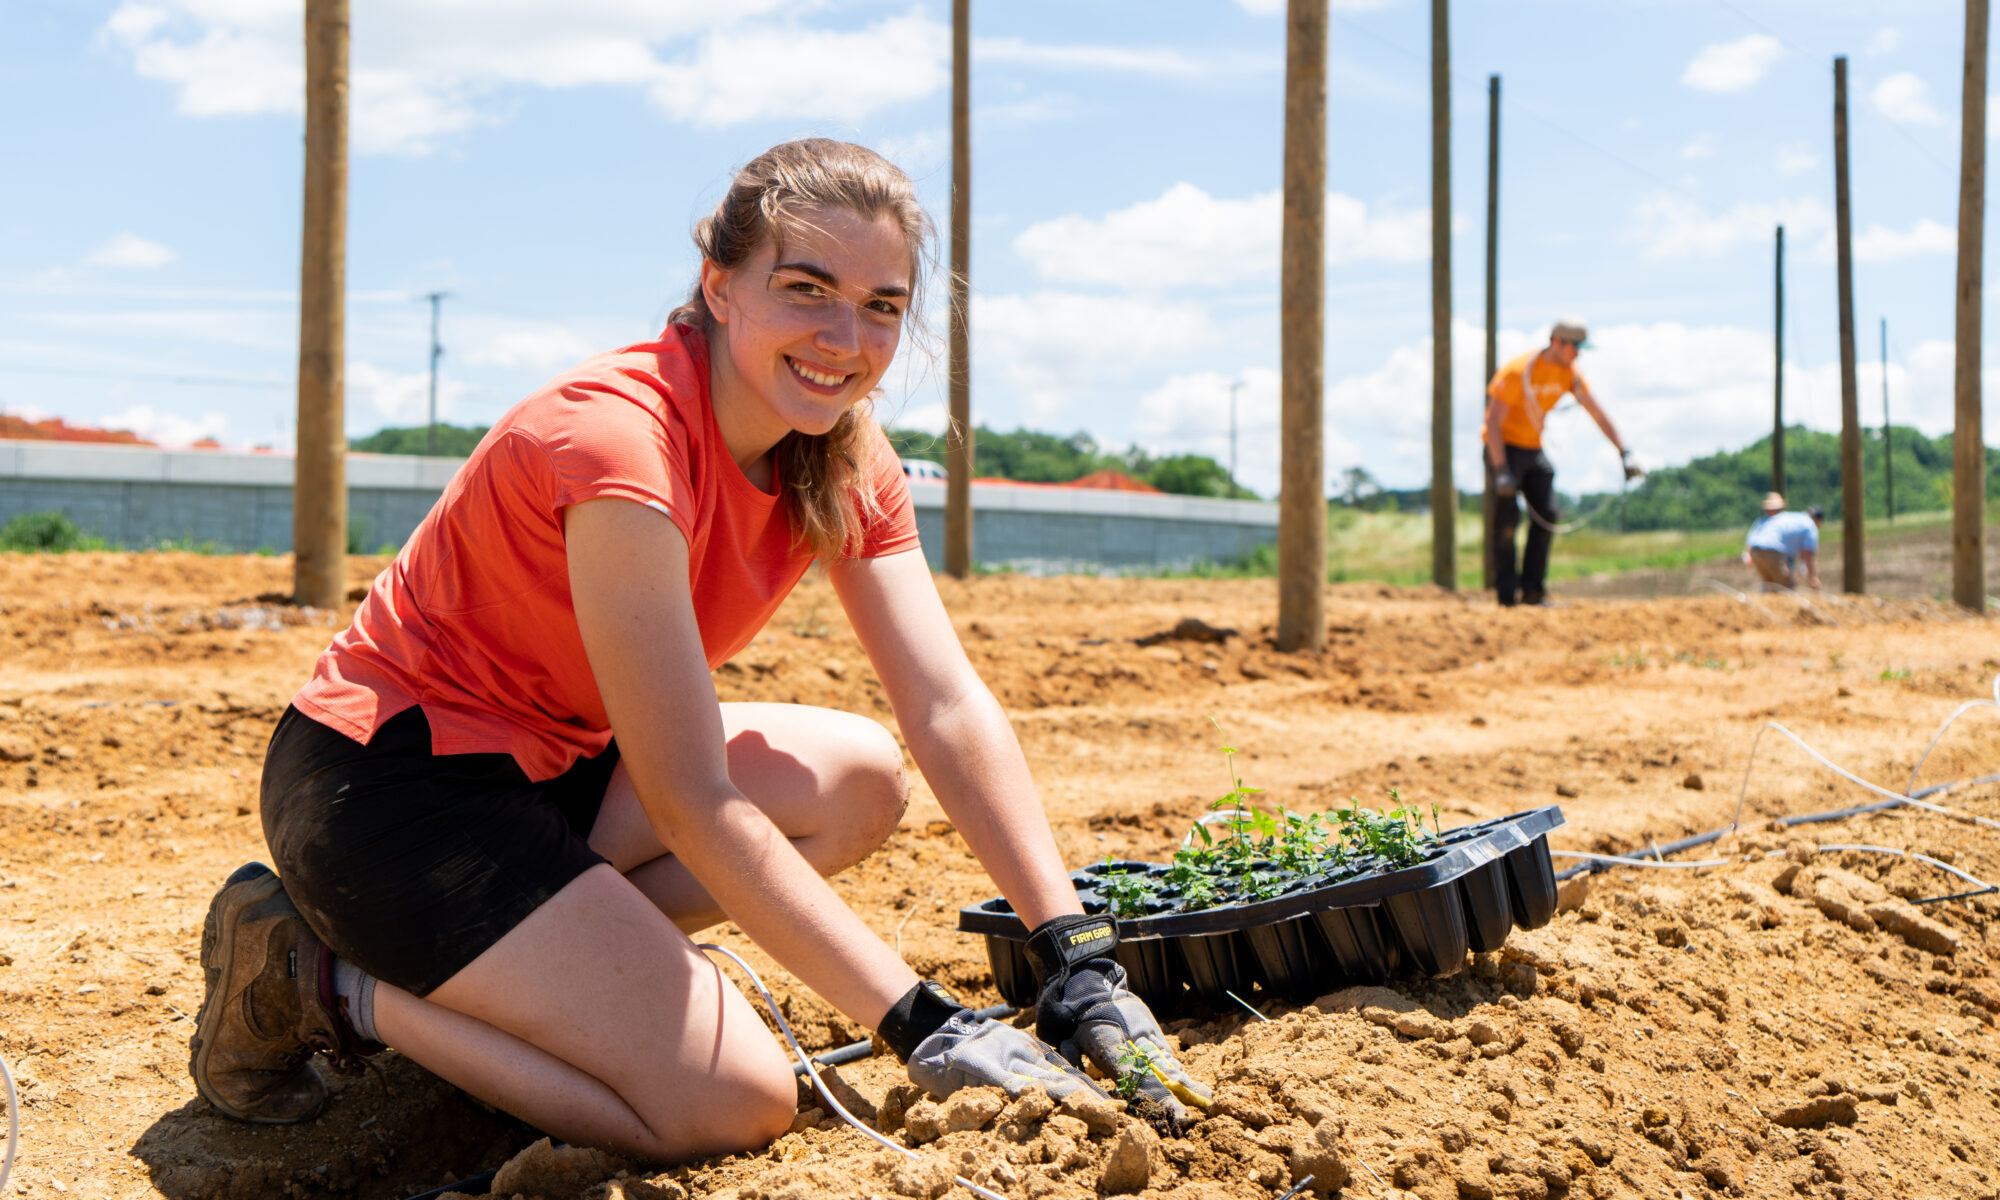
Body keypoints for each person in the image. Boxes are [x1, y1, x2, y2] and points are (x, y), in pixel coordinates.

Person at [187, 139, 1209, 1161]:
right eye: (805, 288)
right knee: (731, 1105)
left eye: (881, 306)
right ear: (718, 286)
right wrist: (921, 1023)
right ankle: (328, 985)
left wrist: (1077, 955)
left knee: (859, 780)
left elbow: (942, 703)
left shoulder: (846, 454)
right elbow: (690, 797)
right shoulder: (618, 445)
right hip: (392, 799)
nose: (843, 337)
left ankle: (535, 973)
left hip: (562, 769)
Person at [1483, 317, 1641, 607]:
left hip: (1533, 448)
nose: (1578, 354)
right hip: (1504, 449)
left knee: (1548, 514)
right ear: (1557, 343)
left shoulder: (1570, 374)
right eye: (1575, 347)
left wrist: (1624, 452)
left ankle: (1533, 591)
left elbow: (1596, 411)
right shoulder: (1518, 372)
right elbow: (1493, 421)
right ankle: (1506, 597)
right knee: (1506, 523)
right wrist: (1501, 469)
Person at [1742, 492, 1822, 591]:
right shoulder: (1809, 524)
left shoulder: (1766, 520)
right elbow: (1807, 553)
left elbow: (1751, 540)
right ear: (1818, 520)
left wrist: (1749, 556)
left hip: (1756, 551)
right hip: (1772, 551)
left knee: (1769, 586)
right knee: (1787, 588)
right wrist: (1812, 577)